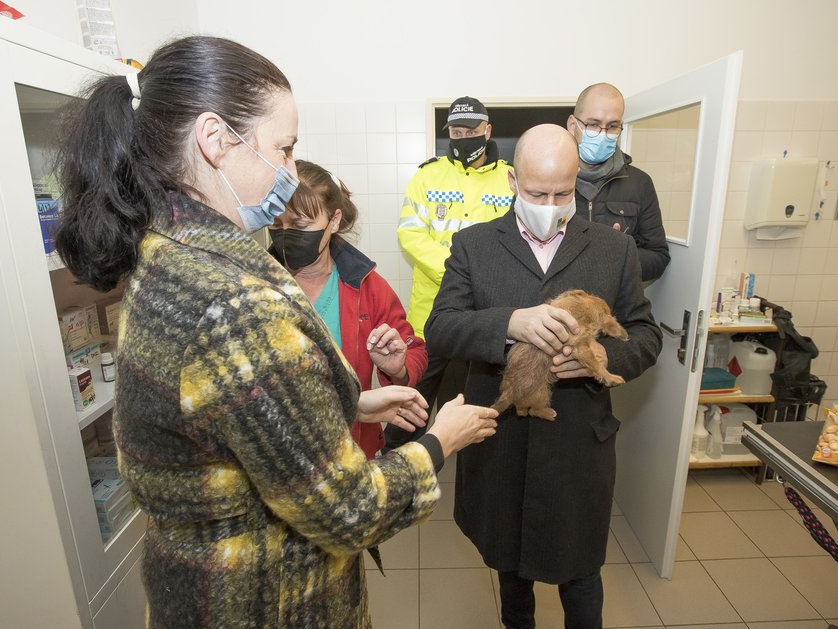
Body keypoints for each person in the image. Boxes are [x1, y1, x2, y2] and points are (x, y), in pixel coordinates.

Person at [54, 36, 497, 628]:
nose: (290, 175)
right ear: (214, 140)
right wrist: (442, 439)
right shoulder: (235, 300)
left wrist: (353, 401)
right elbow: (350, 512)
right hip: (263, 602)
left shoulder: (168, 251)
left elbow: (222, 412)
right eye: (283, 150)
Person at [425, 124, 663, 629]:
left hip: (577, 445)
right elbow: (440, 329)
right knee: (511, 576)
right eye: (537, 192)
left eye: (563, 192)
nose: (551, 204)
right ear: (513, 180)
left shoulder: (613, 249)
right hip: (502, 442)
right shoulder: (474, 245)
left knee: (581, 576)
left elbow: (644, 334)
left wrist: (601, 359)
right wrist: (508, 323)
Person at [270, 160, 427, 459]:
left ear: (334, 220)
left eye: (301, 226)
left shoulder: (366, 286)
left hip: (354, 452)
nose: (287, 235)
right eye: (278, 226)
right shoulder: (255, 283)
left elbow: (414, 349)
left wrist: (398, 368)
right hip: (279, 458)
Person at [390, 96, 513, 448]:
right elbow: (411, 234)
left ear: (487, 131)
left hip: (483, 318)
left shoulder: (510, 180)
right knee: (411, 406)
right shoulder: (427, 176)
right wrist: (460, 272)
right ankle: (396, 470)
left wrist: (480, 280)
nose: (462, 137)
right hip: (430, 316)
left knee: (475, 409)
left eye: (470, 131)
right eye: (456, 132)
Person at [567, 83, 670, 282]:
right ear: (573, 125)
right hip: (559, 307)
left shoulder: (639, 184)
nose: (603, 133)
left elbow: (658, 257)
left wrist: (618, 254)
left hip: (616, 309)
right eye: (593, 124)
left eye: (612, 126)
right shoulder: (549, 180)